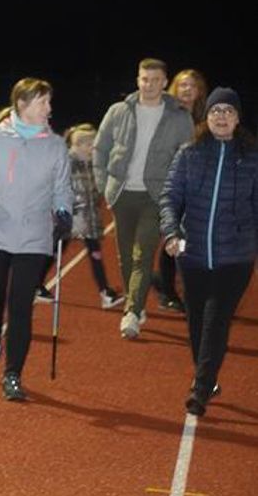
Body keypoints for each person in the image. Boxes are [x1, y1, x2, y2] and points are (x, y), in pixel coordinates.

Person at [0, 78, 72, 401]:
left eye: (49, 102)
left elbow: (62, 187)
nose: (49, 109)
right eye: (43, 103)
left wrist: (63, 211)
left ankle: (13, 374)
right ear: (22, 105)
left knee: (21, 307)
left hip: (33, 237)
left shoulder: (55, 145)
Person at [160, 87, 257, 416]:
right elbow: (170, 196)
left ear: (238, 119)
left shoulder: (251, 157)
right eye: (216, 110)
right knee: (196, 319)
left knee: (217, 320)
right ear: (207, 116)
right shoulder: (190, 153)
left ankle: (200, 389)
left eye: (229, 111)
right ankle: (208, 376)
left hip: (236, 257)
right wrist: (172, 231)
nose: (221, 116)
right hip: (194, 253)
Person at [93, 58, 194, 339]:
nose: (149, 85)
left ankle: (133, 313)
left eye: (155, 80)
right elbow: (100, 149)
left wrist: (175, 193)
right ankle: (134, 302)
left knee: (143, 254)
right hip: (121, 193)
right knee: (125, 257)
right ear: (138, 80)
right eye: (144, 79)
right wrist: (104, 185)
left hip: (155, 196)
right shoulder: (118, 111)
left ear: (165, 82)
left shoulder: (179, 116)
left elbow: (185, 157)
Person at [154, 68, 209, 312]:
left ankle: (171, 285)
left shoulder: (205, 118)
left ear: (200, 92)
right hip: (166, 184)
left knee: (187, 240)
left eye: (193, 86)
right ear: (174, 87)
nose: (187, 90)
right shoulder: (165, 113)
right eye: (183, 85)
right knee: (171, 237)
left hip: (194, 187)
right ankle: (167, 290)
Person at [62, 124, 123, 308]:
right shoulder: (67, 163)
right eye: (90, 145)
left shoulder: (92, 164)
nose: (94, 148)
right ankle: (35, 284)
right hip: (71, 216)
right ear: (78, 145)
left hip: (88, 216)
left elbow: (97, 188)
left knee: (94, 252)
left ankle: (105, 292)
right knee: (55, 251)